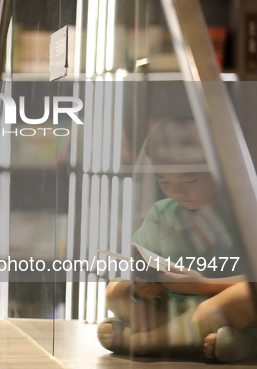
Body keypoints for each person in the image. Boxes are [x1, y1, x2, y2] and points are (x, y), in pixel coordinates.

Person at [97, 118, 256, 362]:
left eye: (190, 181)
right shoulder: (162, 212)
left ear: (219, 168)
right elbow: (142, 265)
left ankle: (144, 343)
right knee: (115, 291)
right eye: (164, 181)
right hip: (177, 312)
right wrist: (142, 286)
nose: (176, 191)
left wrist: (203, 285)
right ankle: (213, 342)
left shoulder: (246, 211)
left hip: (226, 309)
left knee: (246, 295)